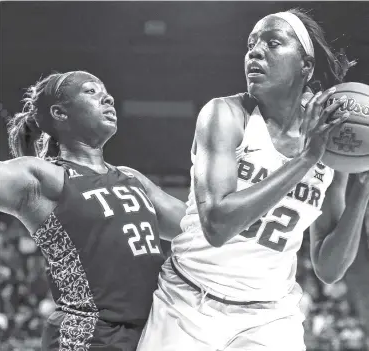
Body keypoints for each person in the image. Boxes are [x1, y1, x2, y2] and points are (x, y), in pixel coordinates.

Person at [137, 9, 369, 351]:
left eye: (273, 43)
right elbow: (217, 224)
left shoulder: (329, 137)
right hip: (189, 300)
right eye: (251, 44)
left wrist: (363, 187)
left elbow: (329, 268)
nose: (255, 52)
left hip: (269, 316)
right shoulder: (225, 115)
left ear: (305, 65)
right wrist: (306, 159)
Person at [0, 70, 187, 351]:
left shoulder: (131, 178)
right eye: (91, 91)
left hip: (151, 334)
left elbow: (201, 228)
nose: (107, 97)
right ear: (60, 113)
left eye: (106, 92)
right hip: (89, 335)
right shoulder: (42, 176)